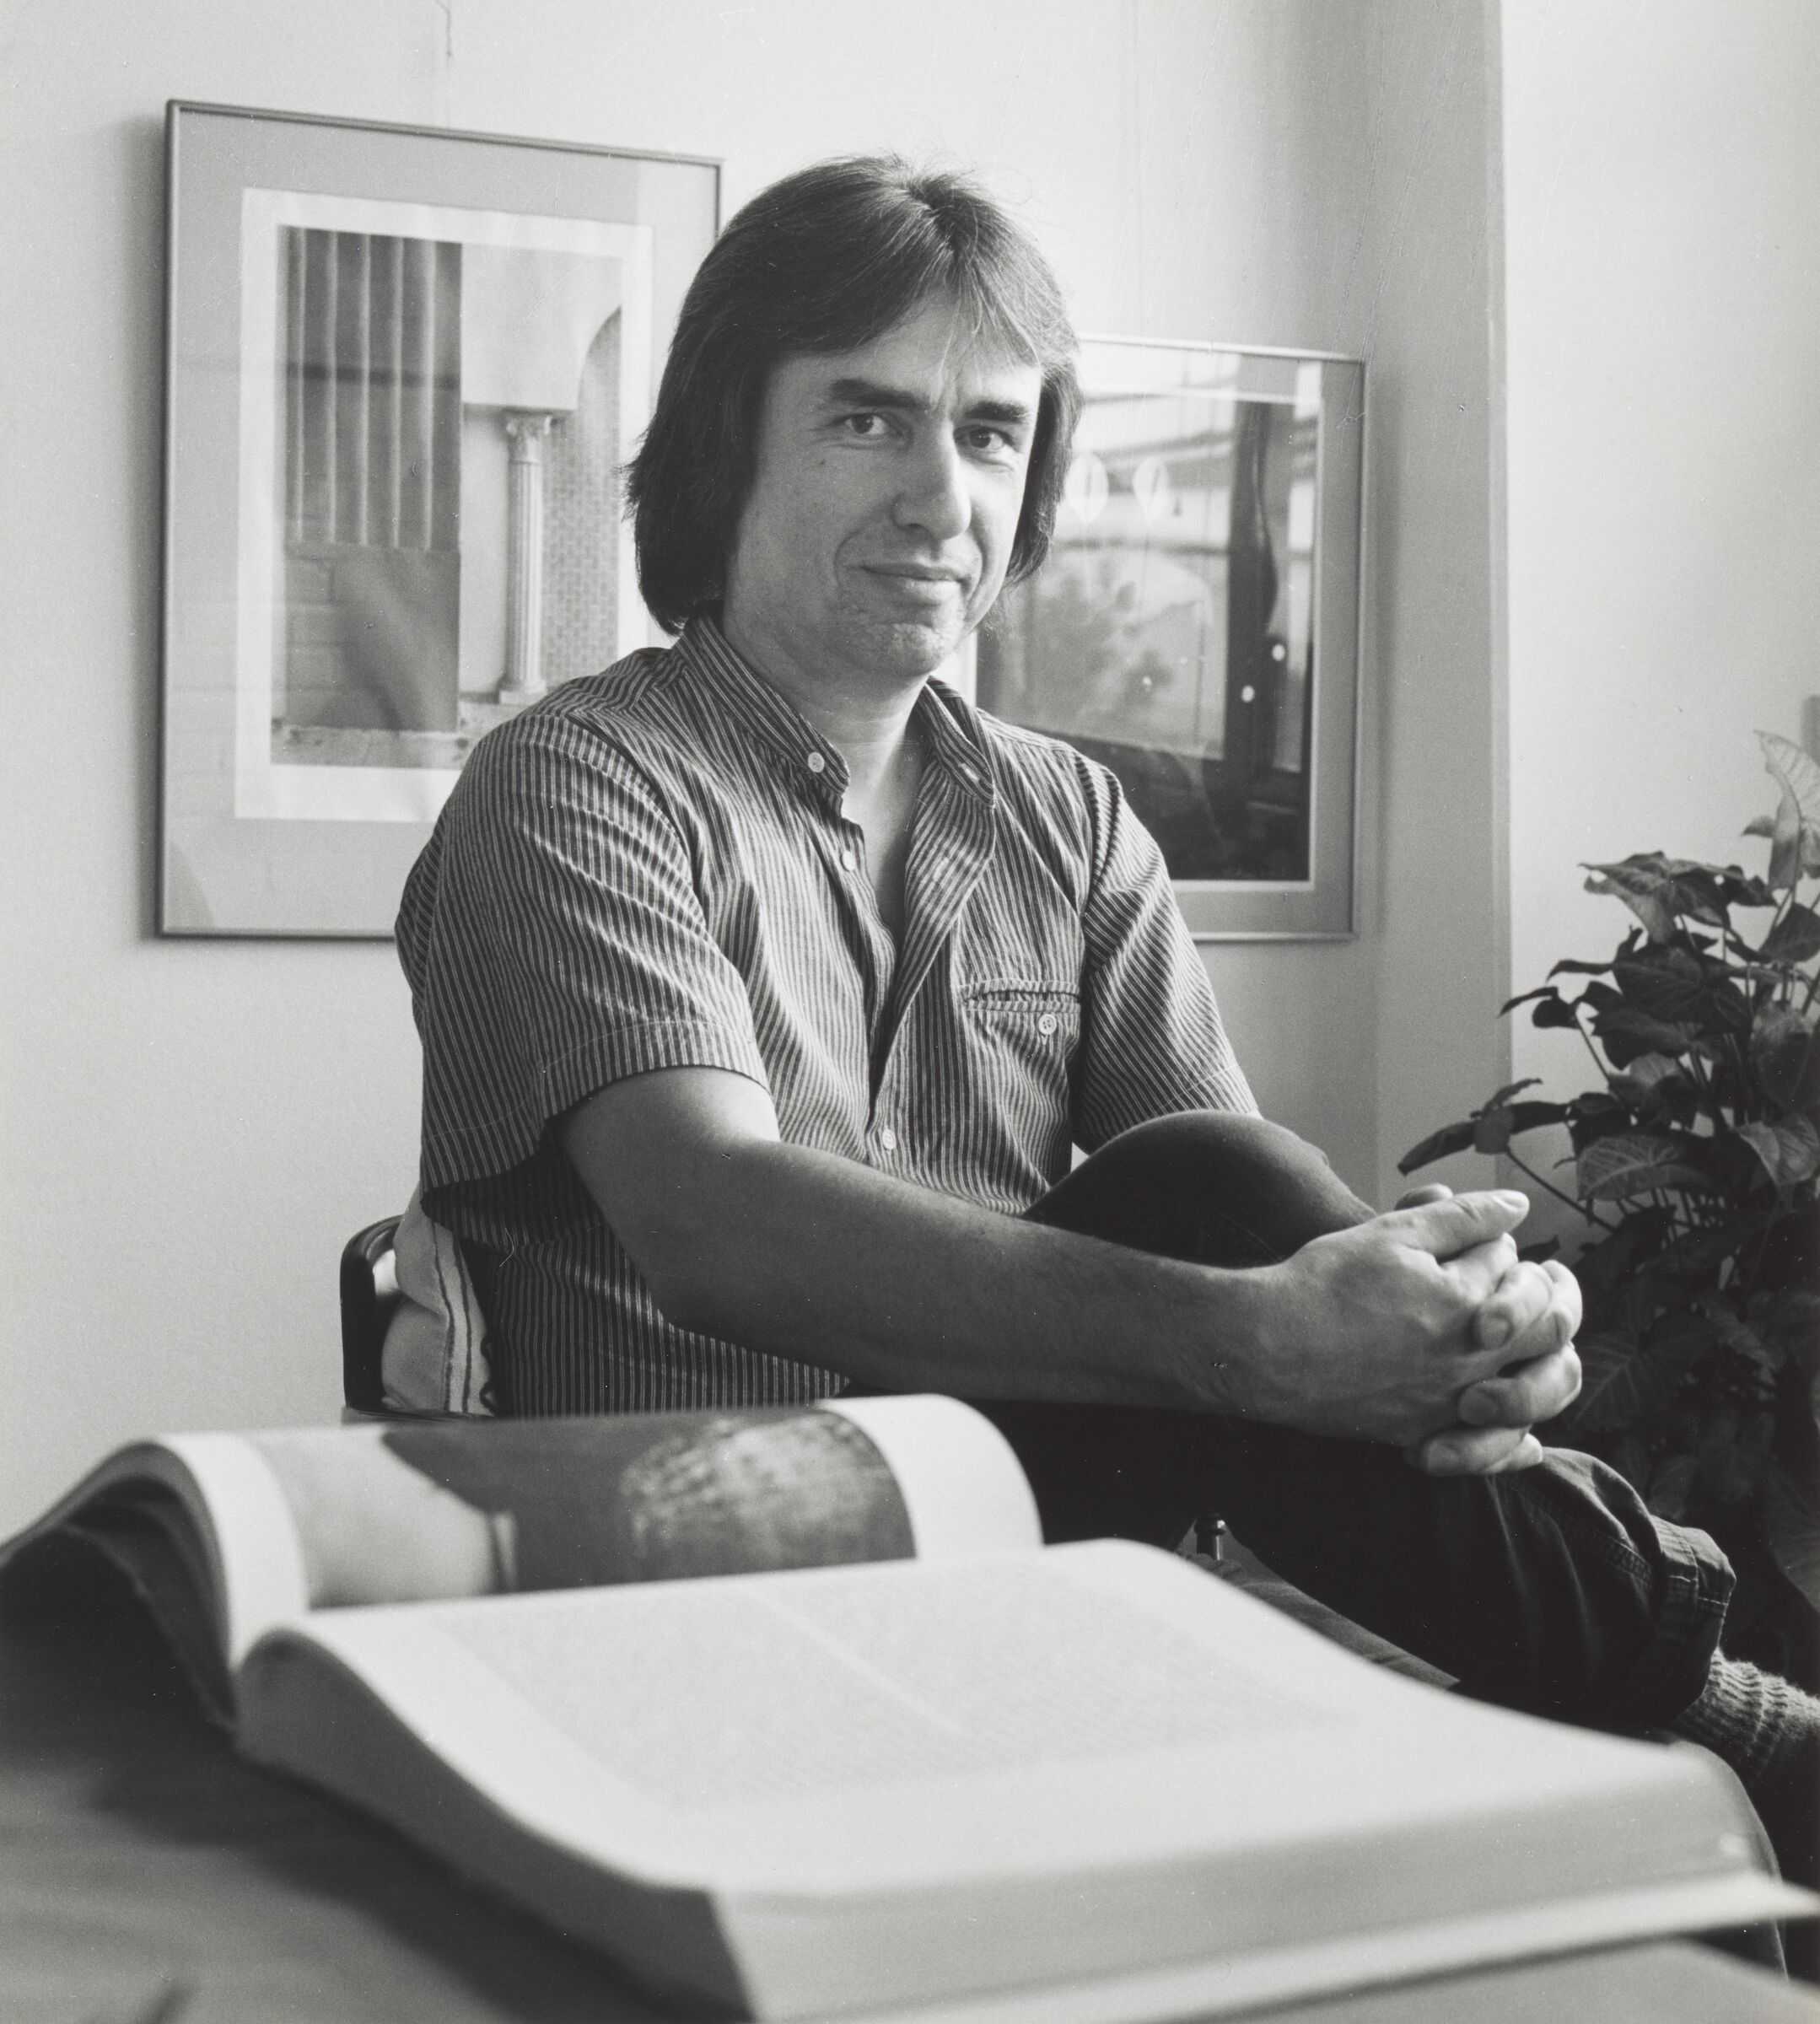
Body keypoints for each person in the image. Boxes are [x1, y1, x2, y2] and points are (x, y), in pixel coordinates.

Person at [396, 156, 1817, 1899]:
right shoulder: (572, 783)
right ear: (722, 447)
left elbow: (1262, 1234)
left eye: (989, 434)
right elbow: (715, 1223)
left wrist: (1460, 1330)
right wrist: (1254, 1340)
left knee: (1232, 1185)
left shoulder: (1062, 819)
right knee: (1218, 1199)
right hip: (696, 1580)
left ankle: (1700, 1714)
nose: (940, 495)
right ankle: (1744, 1714)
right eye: (865, 419)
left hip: (1028, 1558)